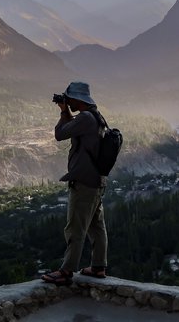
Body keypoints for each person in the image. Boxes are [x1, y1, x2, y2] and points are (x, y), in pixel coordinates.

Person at [41, 81, 108, 286]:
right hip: (96, 181)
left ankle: (66, 271)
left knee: (75, 228)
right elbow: (73, 129)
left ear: (77, 99)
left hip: (84, 183)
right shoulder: (95, 116)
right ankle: (98, 267)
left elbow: (60, 134)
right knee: (96, 226)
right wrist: (67, 111)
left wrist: (63, 111)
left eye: (69, 98)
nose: (68, 101)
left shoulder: (86, 118)